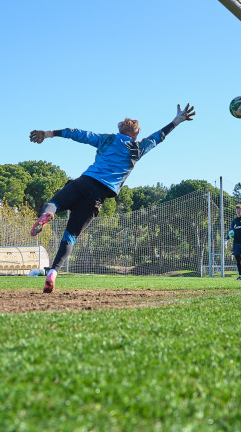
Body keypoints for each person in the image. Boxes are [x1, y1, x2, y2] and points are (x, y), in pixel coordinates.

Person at [29, 103, 196, 293]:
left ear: (121, 130)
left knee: (53, 203)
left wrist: (48, 133)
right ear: (135, 135)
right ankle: (53, 273)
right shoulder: (137, 148)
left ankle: (48, 215)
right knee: (70, 236)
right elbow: (158, 137)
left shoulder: (107, 139)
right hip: (98, 196)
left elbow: (77, 133)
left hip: (84, 182)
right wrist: (176, 121)